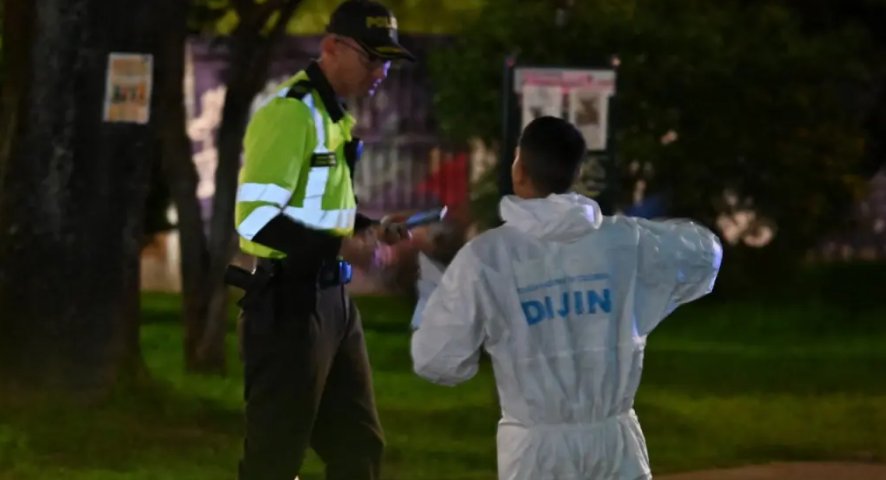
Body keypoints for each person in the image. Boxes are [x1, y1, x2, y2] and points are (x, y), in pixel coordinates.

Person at [410, 116, 723, 480]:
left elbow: (435, 359)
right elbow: (705, 254)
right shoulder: (625, 241)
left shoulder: (486, 258)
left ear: (520, 171)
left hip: (535, 456)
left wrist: (435, 306)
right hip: (615, 446)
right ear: (575, 175)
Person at [229, 1, 415, 479]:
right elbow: (254, 223)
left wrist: (368, 226)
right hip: (289, 304)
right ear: (331, 47)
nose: (382, 70)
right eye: (371, 57)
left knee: (359, 447)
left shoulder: (334, 117)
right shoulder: (291, 114)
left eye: (387, 60)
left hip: (333, 302)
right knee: (275, 456)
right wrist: (337, 246)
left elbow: (320, 210)